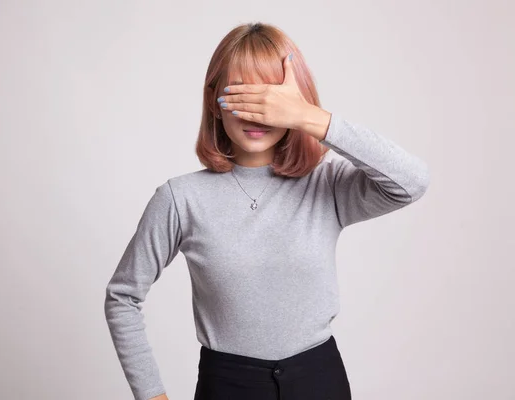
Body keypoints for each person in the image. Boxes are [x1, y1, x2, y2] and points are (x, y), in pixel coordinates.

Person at [104, 22, 430, 400]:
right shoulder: (181, 198)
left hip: (320, 381)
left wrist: (310, 118)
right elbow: (122, 296)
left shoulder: (326, 185)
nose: (256, 113)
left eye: (271, 98)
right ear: (214, 101)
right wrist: (151, 395)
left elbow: (412, 182)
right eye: (241, 96)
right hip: (227, 386)